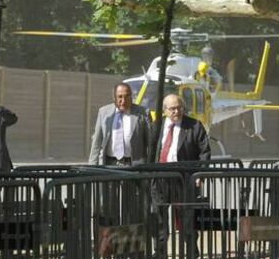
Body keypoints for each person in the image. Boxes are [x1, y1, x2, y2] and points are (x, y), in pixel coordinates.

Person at [152, 94, 211, 258]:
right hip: (161, 179)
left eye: (179, 107)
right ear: (164, 111)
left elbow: (205, 152)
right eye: (172, 109)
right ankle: (160, 253)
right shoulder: (157, 126)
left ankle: (191, 253)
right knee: (159, 219)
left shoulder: (194, 126)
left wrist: (200, 174)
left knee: (187, 220)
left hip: (184, 180)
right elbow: (151, 151)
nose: (176, 111)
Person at [89, 83, 150, 166]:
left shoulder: (143, 113)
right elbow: (97, 142)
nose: (123, 100)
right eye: (120, 97)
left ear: (131, 96)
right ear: (114, 98)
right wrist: (92, 165)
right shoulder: (104, 112)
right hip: (109, 164)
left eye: (127, 96)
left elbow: (150, 143)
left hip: (134, 166)